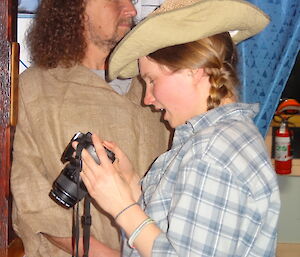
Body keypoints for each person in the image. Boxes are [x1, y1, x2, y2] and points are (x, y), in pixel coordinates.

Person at [77, 0, 281, 256]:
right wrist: (131, 186)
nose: (147, 98)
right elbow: (175, 234)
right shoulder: (216, 139)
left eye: (151, 81)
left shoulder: (209, 154)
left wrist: (122, 208)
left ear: (192, 70)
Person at [10, 0, 171, 256]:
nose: (130, 9)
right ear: (75, 8)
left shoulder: (155, 84)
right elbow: (31, 195)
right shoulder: (37, 88)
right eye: (115, 1)